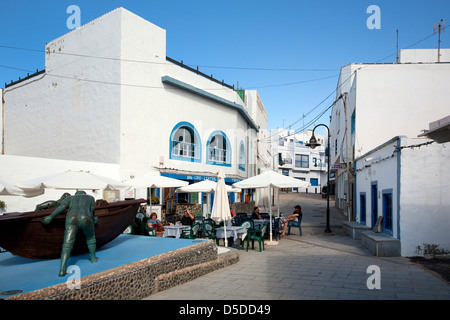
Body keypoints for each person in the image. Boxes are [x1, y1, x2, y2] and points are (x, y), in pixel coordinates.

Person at [42, 190, 98, 277]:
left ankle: (62, 269)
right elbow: (91, 213)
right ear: (84, 194)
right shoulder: (90, 198)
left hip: (71, 218)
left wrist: (51, 217)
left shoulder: (69, 198)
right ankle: (93, 257)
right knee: (90, 238)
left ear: (75, 194)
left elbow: (61, 208)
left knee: (67, 244)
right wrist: (94, 220)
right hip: (85, 217)